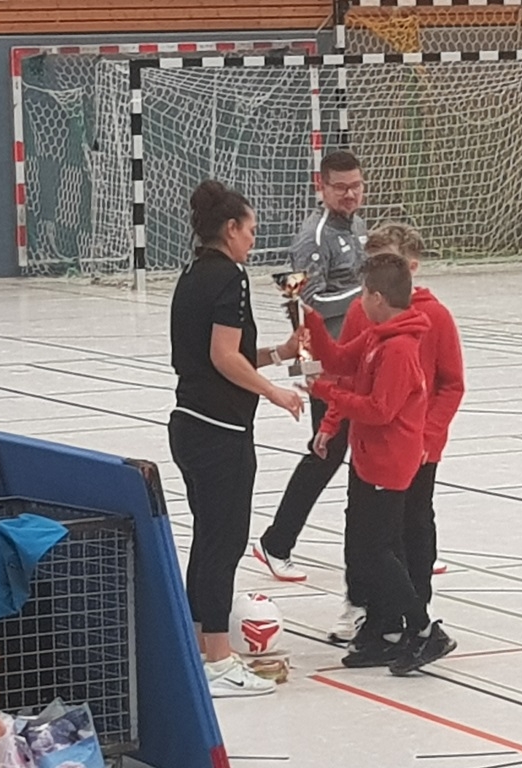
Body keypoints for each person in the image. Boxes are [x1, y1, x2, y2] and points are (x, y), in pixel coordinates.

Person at [168, 179, 303, 698]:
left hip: (189, 423)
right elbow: (224, 358)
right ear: (230, 229)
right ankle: (220, 662)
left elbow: (220, 356)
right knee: (223, 545)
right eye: (250, 231)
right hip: (220, 431)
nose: (252, 240)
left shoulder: (192, 274)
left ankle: (197, 650)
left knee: (208, 539)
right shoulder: (232, 276)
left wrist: (279, 354)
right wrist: (275, 392)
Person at [302, 252, 457, 675]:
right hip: (371, 458)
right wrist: (310, 319)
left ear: (377, 298)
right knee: (367, 549)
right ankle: (385, 630)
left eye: (363, 294)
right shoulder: (377, 337)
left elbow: (379, 409)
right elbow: (338, 360)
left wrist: (327, 395)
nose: (359, 302)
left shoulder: (400, 348)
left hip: (390, 461)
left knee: (379, 550)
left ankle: (422, 628)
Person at [254, 151, 367, 585]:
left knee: (371, 447)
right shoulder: (312, 238)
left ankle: (389, 546)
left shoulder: (357, 226)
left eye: (356, 186)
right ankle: (276, 543)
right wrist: (369, 293)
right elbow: (303, 302)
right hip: (322, 360)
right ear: (322, 187)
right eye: (340, 187)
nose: (350, 194)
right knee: (327, 451)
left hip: (354, 357)